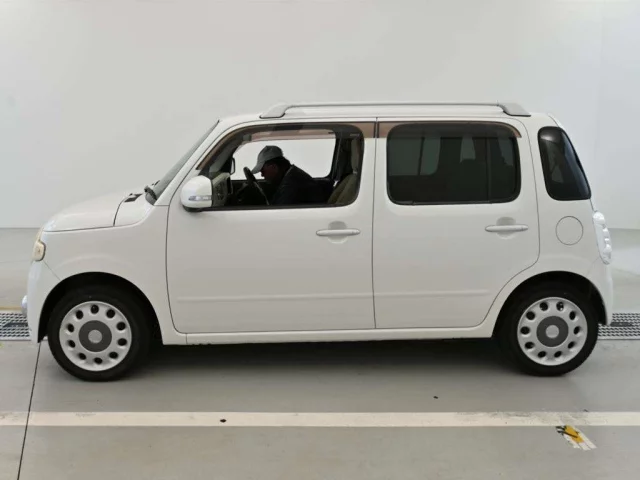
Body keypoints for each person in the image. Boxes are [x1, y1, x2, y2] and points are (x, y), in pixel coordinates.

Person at [251, 145, 324, 205]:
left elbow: (278, 213)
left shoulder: (292, 184)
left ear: (274, 167)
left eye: (263, 171)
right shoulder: (291, 175)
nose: (262, 175)